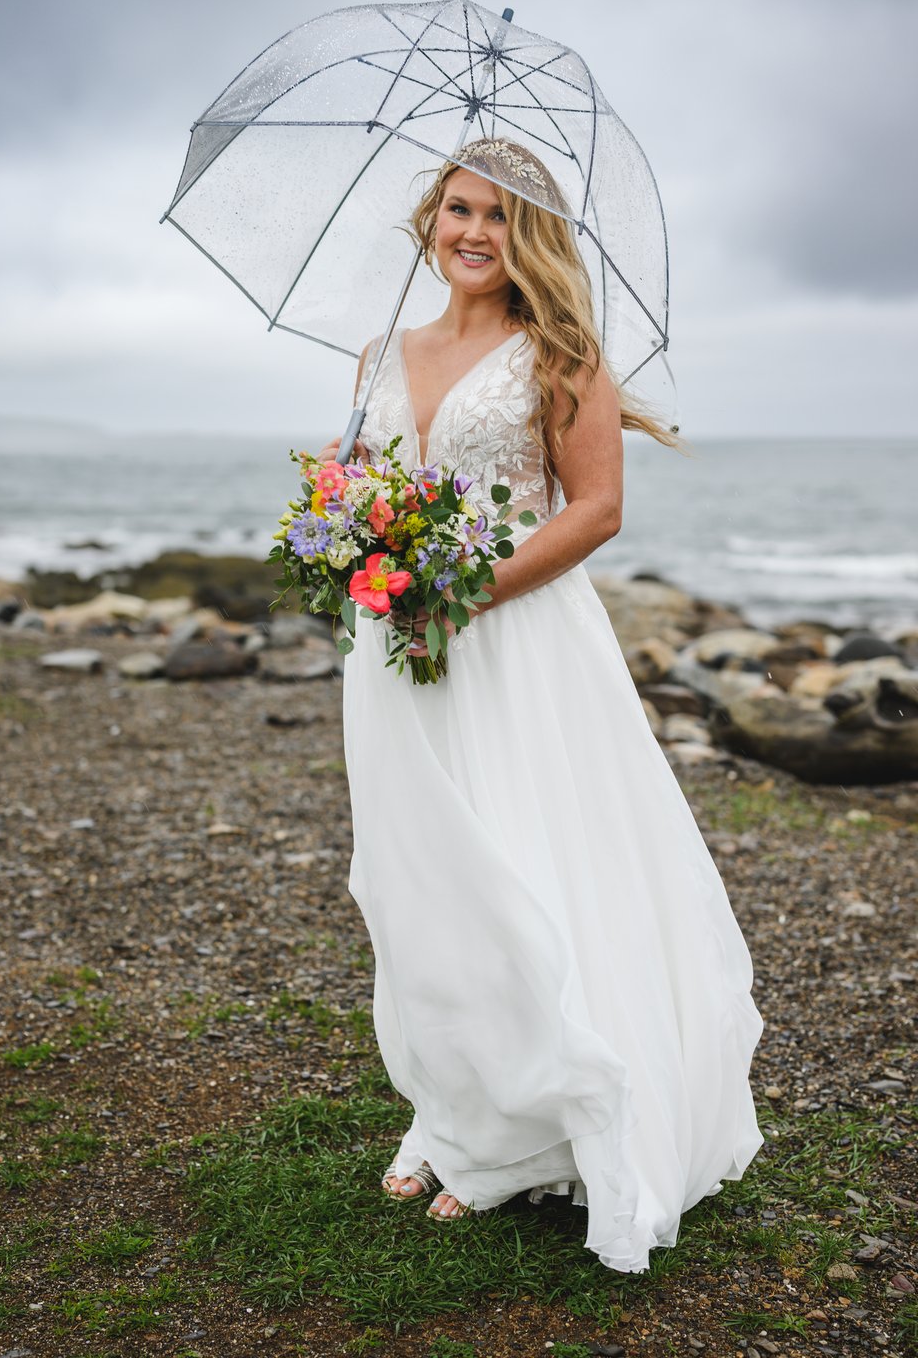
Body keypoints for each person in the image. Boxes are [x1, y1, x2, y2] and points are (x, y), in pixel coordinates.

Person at [315, 138, 764, 1271]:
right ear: (431, 217)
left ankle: (520, 1138)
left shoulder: (559, 352)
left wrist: (461, 596)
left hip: (512, 641)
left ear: (535, 239)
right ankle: (459, 1106)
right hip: (393, 647)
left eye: (503, 218)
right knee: (420, 871)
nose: (475, 232)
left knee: (520, 860)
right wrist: (345, 523)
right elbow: (353, 478)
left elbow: (598, 509)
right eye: (459, 209)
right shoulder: (379, 354)